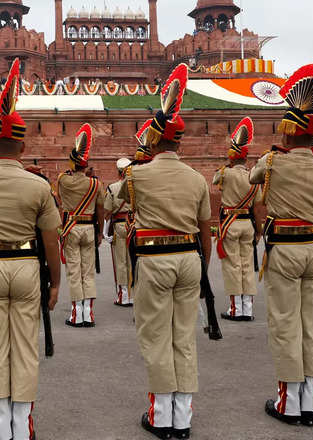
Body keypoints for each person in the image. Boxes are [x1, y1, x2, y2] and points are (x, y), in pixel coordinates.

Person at [0, 58, 61, 440]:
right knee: (24, 347)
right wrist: (54, 283)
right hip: (26, 267)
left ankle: (0, 425)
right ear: (23, 144)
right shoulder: (38, 184)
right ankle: (23, 426)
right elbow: (51, 240)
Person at [119, 64, 211, 440]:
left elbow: (112, 201)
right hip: (190, 259)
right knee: (183, 336)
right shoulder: (197, 177)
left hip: (154, 260)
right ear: (180, 143)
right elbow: (206, 231)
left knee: (156, 336)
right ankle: (184, 416)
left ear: (154, 141)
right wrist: (203, 269)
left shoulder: (136, 175)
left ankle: (161, 417)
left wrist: (130, 163)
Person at [249, 64, 313, 427]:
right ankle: (312, 402)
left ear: (287, 135)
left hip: (284, 250)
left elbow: (253, 180)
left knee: (285, 323)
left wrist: (274, 155)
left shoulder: (273, 162)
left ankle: (288, 403)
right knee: (311, 324)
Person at [212, 117, 263, 321]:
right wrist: (259, 230)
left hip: (230, 224)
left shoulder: (226, 173)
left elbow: (215, 179)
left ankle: (236, 309)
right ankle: (248, 308)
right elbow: (258, 206)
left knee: (232, 265)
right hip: (248, 224)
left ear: (232, 158)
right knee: (247, 265)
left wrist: (228, 165)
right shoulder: (253, 177)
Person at [57, 123, 104, 328]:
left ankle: (77, 314)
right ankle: (89, 313)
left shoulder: (63, 180)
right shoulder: (95, 183)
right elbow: (101, 210)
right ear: (85, 166)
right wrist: (101, 231)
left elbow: (60, 193)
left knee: (74, 271)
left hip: (71, 227)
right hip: (89, 228)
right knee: (88, 271)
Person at [104, 157, 133, 306]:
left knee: (120, 261)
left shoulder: (112, 187)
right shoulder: (135, 185)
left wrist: (104, 230)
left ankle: (124, 296)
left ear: (118, 172)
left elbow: (107, 210)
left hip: (120, 225)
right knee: (132, 259)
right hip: (133, 225)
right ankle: (133, 293)